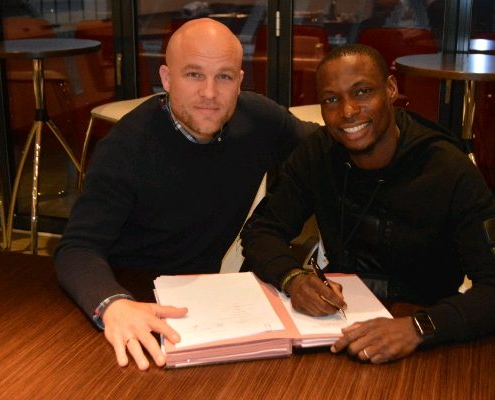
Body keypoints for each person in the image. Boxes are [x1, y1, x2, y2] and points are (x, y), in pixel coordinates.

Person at [55, 18, 316, 370]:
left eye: (224, 77)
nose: (209, 93)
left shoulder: (260, 120)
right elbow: (77, 248)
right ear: (166, 79)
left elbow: (324, 147)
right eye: (194, 74)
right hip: (128, 299)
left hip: (203, 304)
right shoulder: (126, 147)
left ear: (240, 82)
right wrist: (113, 303)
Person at [241, 44, 495, 364]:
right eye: (331, 99)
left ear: (390, 89)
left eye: (362, 92)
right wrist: (292, 278)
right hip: (336, 325)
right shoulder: (318, 153)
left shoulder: (448, 168)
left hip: (427, 333)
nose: (348, 111)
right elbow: (261, 231)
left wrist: (419, 327)